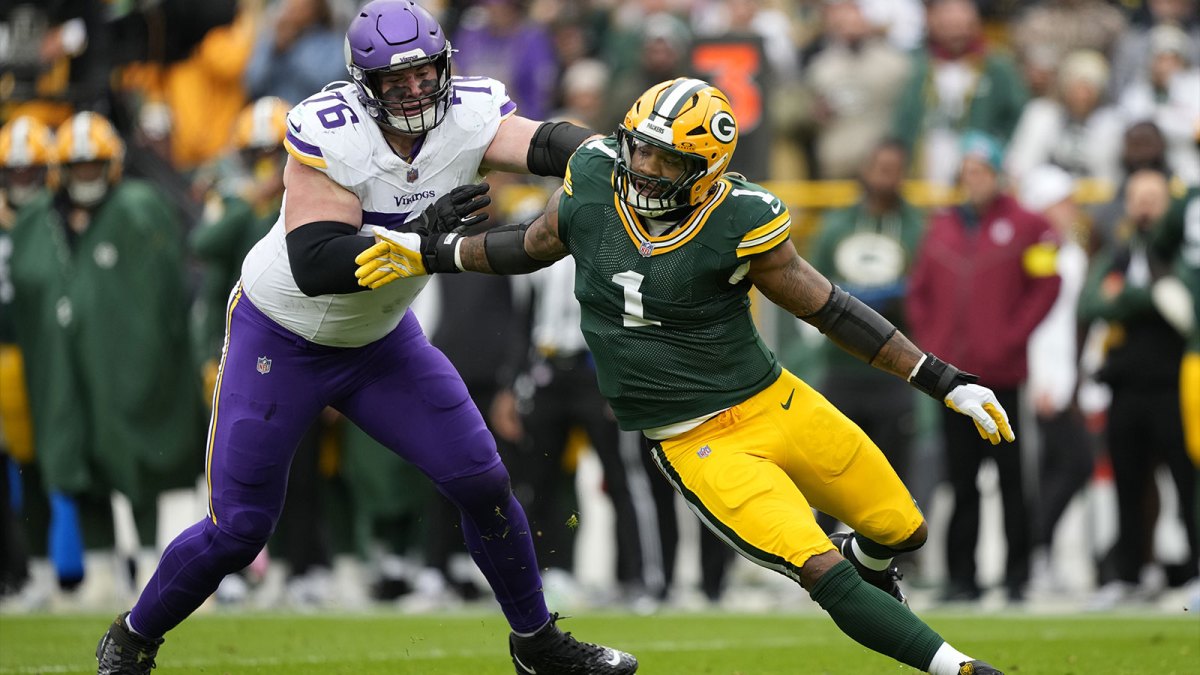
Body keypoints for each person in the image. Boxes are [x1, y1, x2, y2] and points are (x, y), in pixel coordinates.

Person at [354, 77, 1014, 675]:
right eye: (641, 149)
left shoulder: (740, 217)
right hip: (696, 439)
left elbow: (830, 309)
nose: (645, 168)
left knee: (903, 529)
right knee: (818, 567)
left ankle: (868, 566)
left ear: (706, 170)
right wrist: (431, 250)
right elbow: (528, 245)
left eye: (667, 160)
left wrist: (945, 380)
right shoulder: (594, 177)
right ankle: (956, 667)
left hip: (774, 400)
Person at [93, 2, 637, 674]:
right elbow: (317, 262)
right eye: (395, 80)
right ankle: (132, 637)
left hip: (379, 341)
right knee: (240, 528)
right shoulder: (332, 131)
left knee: (483, 481)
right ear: (364, 85)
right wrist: (420, 233)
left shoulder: (467, 113)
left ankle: (537, 643)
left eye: (424, 74)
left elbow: (548, 143)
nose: (414, 90)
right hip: (283, 335)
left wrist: (620, 159)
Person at [12, 111, 203, 601]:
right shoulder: (39, 219)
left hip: (128, 363)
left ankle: (152, 564)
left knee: (138, 460)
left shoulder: (137, 208)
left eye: (93, 164)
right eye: (76, 166)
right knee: (77, 463)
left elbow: (166, 294)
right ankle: (97, 571)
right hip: (65, 367)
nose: (85, 175)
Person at [907, 131, 1062, 604]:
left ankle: (1017, 576)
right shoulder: (941, 226)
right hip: (954, 379)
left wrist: (1010, 337)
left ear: (999, 175)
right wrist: (933, 345)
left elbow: (1047, 285)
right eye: (967, 172)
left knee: (1012, 478)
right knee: (962, 479)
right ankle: (962, 579)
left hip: (1002, 375)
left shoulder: (1030, 224)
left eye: (981, 171)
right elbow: (919, 292)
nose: (973, 180)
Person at [808, 139, 926, 534]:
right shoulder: (837, 226)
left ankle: (896, 548)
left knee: (894, 471)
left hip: (895, 369)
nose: (886, 177)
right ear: (865, 169)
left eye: (894, 169)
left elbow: (925, 290)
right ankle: (823, 549)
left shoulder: (916, 227)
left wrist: (897, 299)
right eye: (880, 167)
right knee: (831, 469)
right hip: (842, 366)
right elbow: (811, 285)